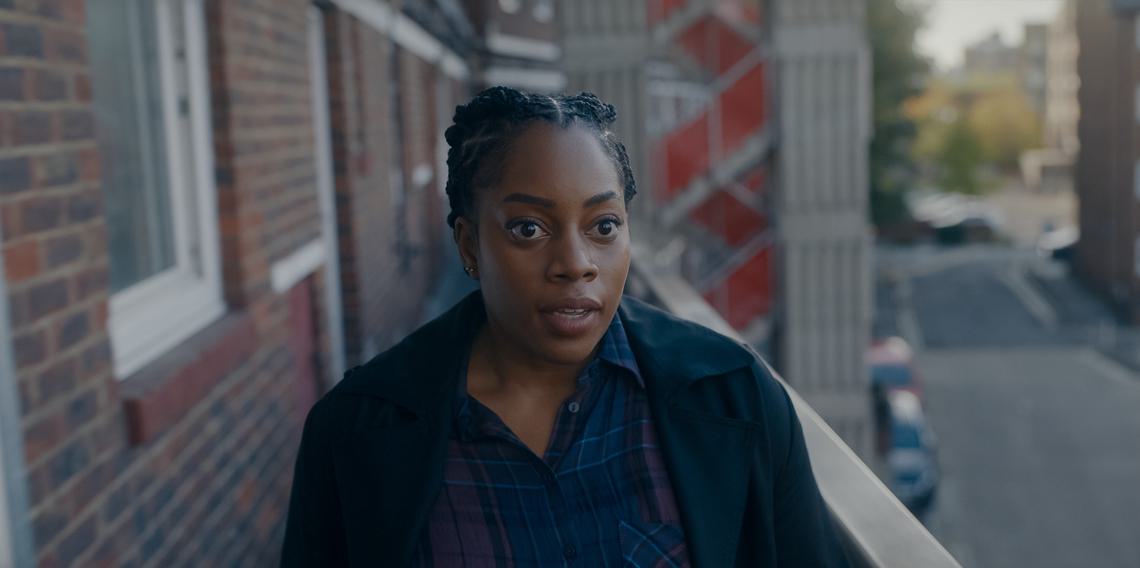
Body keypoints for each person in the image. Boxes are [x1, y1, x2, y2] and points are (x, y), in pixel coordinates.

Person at [281, 86, 850, 567]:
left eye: (604, 225)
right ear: (469, 244)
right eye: (529, 229)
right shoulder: (353, 434)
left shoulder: (735, 395)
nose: (576, 262)